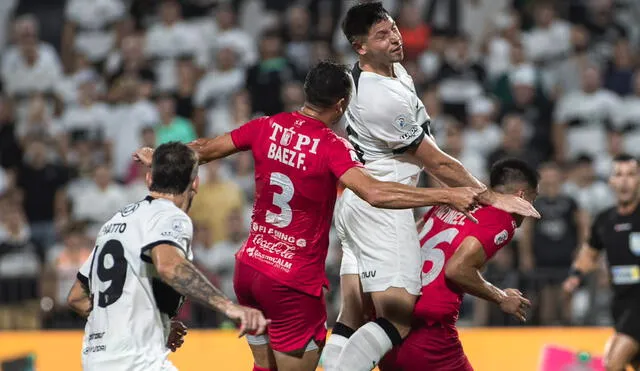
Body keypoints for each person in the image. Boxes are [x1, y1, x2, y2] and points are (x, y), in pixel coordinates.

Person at [135, 61, 481, 371]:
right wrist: (447, 194)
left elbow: (203, 149)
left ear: (306, 93)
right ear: (342, 104)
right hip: (292, 283)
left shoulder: (265, 126)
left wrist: (160, 157)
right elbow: (375, 193)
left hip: (250, 269)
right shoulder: (332, 146)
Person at [324, 4, 540, 370]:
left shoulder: (386, 74)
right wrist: (490, 196)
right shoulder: (379, 97)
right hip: (383, 206)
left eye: (393, 29)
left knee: (351, 315)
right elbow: (436, 161)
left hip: (359, 206)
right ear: (359, 47)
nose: (395, 38)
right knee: (397, 320)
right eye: (382, 35)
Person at [67, 142, 269, 371]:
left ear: (149, 179)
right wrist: (229, 307)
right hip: (138, 362)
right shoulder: (170, 215)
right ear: (195, 184)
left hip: (96, 361)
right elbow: (170, 266)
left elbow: (76, 297)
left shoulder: (116, 222)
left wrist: (150, 322)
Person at [379, 159, 538, 371]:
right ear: (521, 196)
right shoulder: (503, 219)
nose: (532, 210)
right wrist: (501, 297)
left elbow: (413, 237)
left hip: (392, 320)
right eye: (532, 200)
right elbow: (457, 269)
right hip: (430, 333)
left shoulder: (455, 200)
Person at [563, 154, 640, 371]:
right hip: (621, 302)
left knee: (612, 363)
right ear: (611, 181)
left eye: (631, 175)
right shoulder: (605, 220)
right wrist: (575, 276)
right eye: (619, 175)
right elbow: (590, 252)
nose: (625, 180)